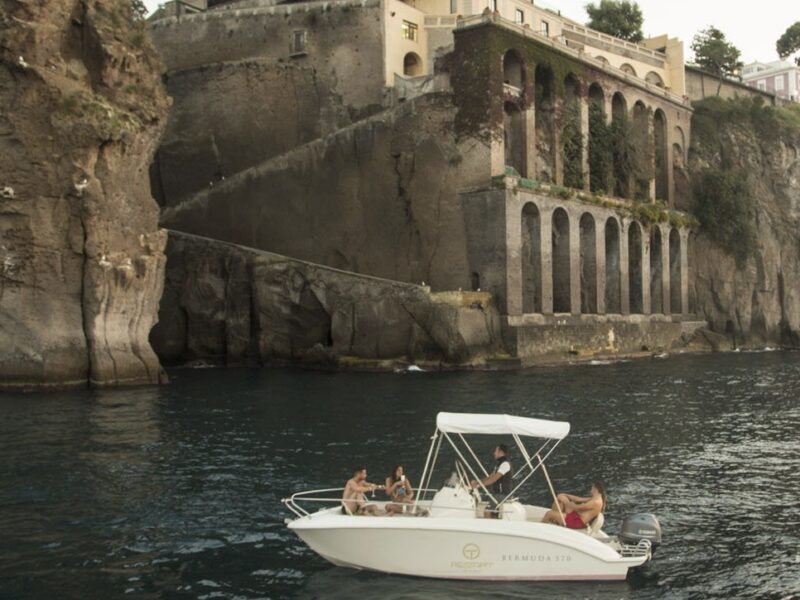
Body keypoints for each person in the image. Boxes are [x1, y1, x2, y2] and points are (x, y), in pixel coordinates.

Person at [470, 444, 513, 517]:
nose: (494, 453)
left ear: (501, 452)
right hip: (497, 494)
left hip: (503, 494)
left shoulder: (505, 464)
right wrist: (476, 482)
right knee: (479, 497)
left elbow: (493, 479)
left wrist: (479, 485)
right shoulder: (499, 464)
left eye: (496, 451)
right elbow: (489, 477)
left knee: (487, 511)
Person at [542, 481, 606, 529]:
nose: (591, 489)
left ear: (596, 489)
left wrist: (567, 502)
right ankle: (556, 521)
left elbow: (578, 508)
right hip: (576, 516)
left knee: (549, 513)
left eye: (592, 487)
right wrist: (565, 495)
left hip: (577, 522)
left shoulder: (596, 502)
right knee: (560, 500)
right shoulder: (595, 498)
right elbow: (578, 499)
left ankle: (542, 527)